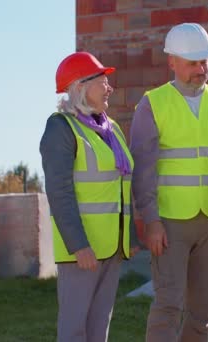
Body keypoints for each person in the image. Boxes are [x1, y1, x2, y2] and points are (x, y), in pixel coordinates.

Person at [130, 22, 208, 342]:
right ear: (172, 62)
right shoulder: (152, 104)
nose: (201, 68)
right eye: (193, 62)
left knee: (206, 308)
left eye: (205, 61)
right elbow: (143, 170)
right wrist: (151, 221)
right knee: (168, 303)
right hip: (170, 224)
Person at [40, 51, 136, 342]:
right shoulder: (61, 128)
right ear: (80, 86)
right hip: (83, 249)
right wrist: (78, 245)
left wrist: (128, 237)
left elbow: (121, 185)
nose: (109, 88)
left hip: (112, 246)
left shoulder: (111, 129)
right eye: (102, 81)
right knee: (74, 330)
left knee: (98, 328)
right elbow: (59, 191)